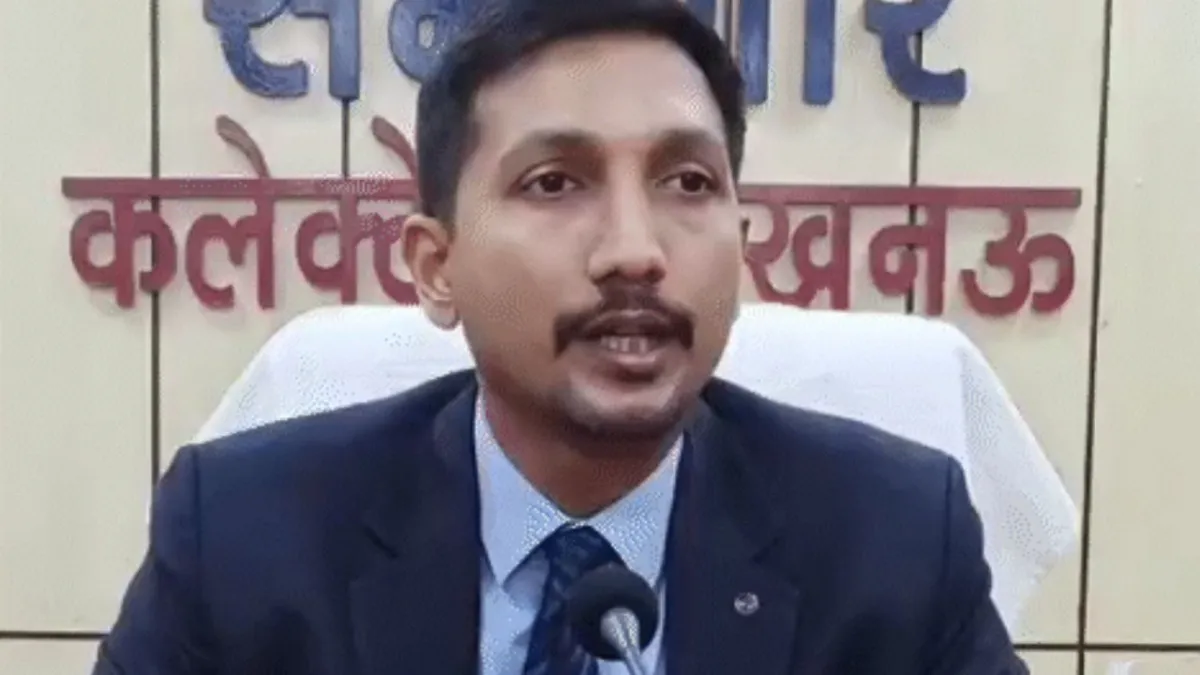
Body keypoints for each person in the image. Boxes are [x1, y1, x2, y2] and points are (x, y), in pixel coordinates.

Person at [93, 0, 1028, 672]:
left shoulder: (898, 542)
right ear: (435, 266)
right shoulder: (243, 538)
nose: (635, 251)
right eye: (554, 183)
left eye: (689, 183)